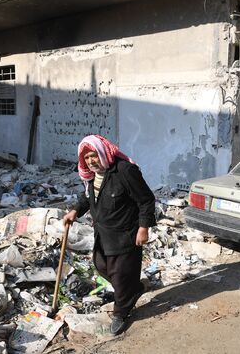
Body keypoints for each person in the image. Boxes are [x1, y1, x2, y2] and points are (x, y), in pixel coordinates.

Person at [63, 135, 156, 335]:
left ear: (103, 152)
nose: (90, 161)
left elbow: (146, 200)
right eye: (86, 158)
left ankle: (121, 313)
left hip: (126, 233)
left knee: (121, 276)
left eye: (93, 155)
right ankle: (133, 290)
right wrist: (75, 211)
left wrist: (144, 228)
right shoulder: (91, 175)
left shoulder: (124, 171)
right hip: (103, 235)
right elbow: (88, 196)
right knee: (101, 265)